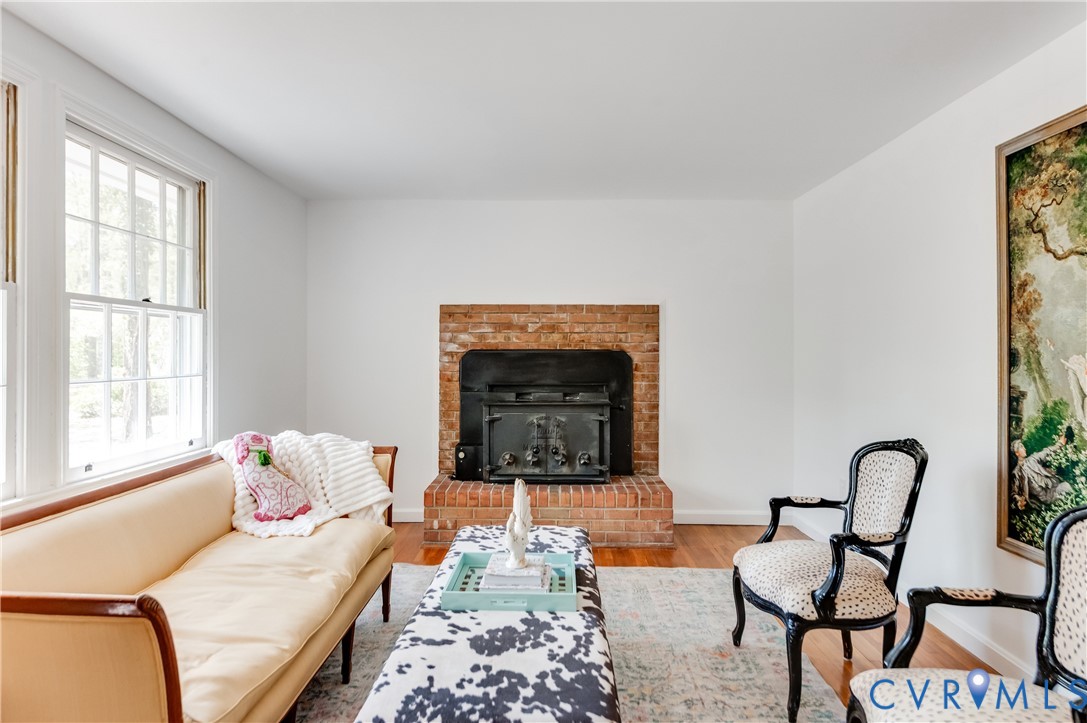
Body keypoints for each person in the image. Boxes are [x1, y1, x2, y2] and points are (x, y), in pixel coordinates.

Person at [1010, 426, 1074, 510]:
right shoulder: (1016, 472)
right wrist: (1019, 500)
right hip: (1041, 503)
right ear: (1017, 453)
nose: (1025, 449)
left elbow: (1046, 452)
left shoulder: (1032, 460)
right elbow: (1014, 493)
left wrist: (1060, 444)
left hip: (1052, 491)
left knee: (1068, 488)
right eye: (1022, 447)